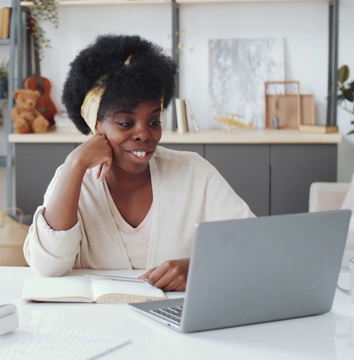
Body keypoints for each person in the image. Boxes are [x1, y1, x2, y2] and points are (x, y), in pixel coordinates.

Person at [23, 35, 254, 291]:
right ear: (95, 125)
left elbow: (253, 245)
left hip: (175, 325)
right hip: (95, 324)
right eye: (125, 123)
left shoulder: (193, 172)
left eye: (154, 122)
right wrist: (75, 163)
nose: (144, 133)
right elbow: (47, 266)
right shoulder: (73, 177)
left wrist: (200, 265)